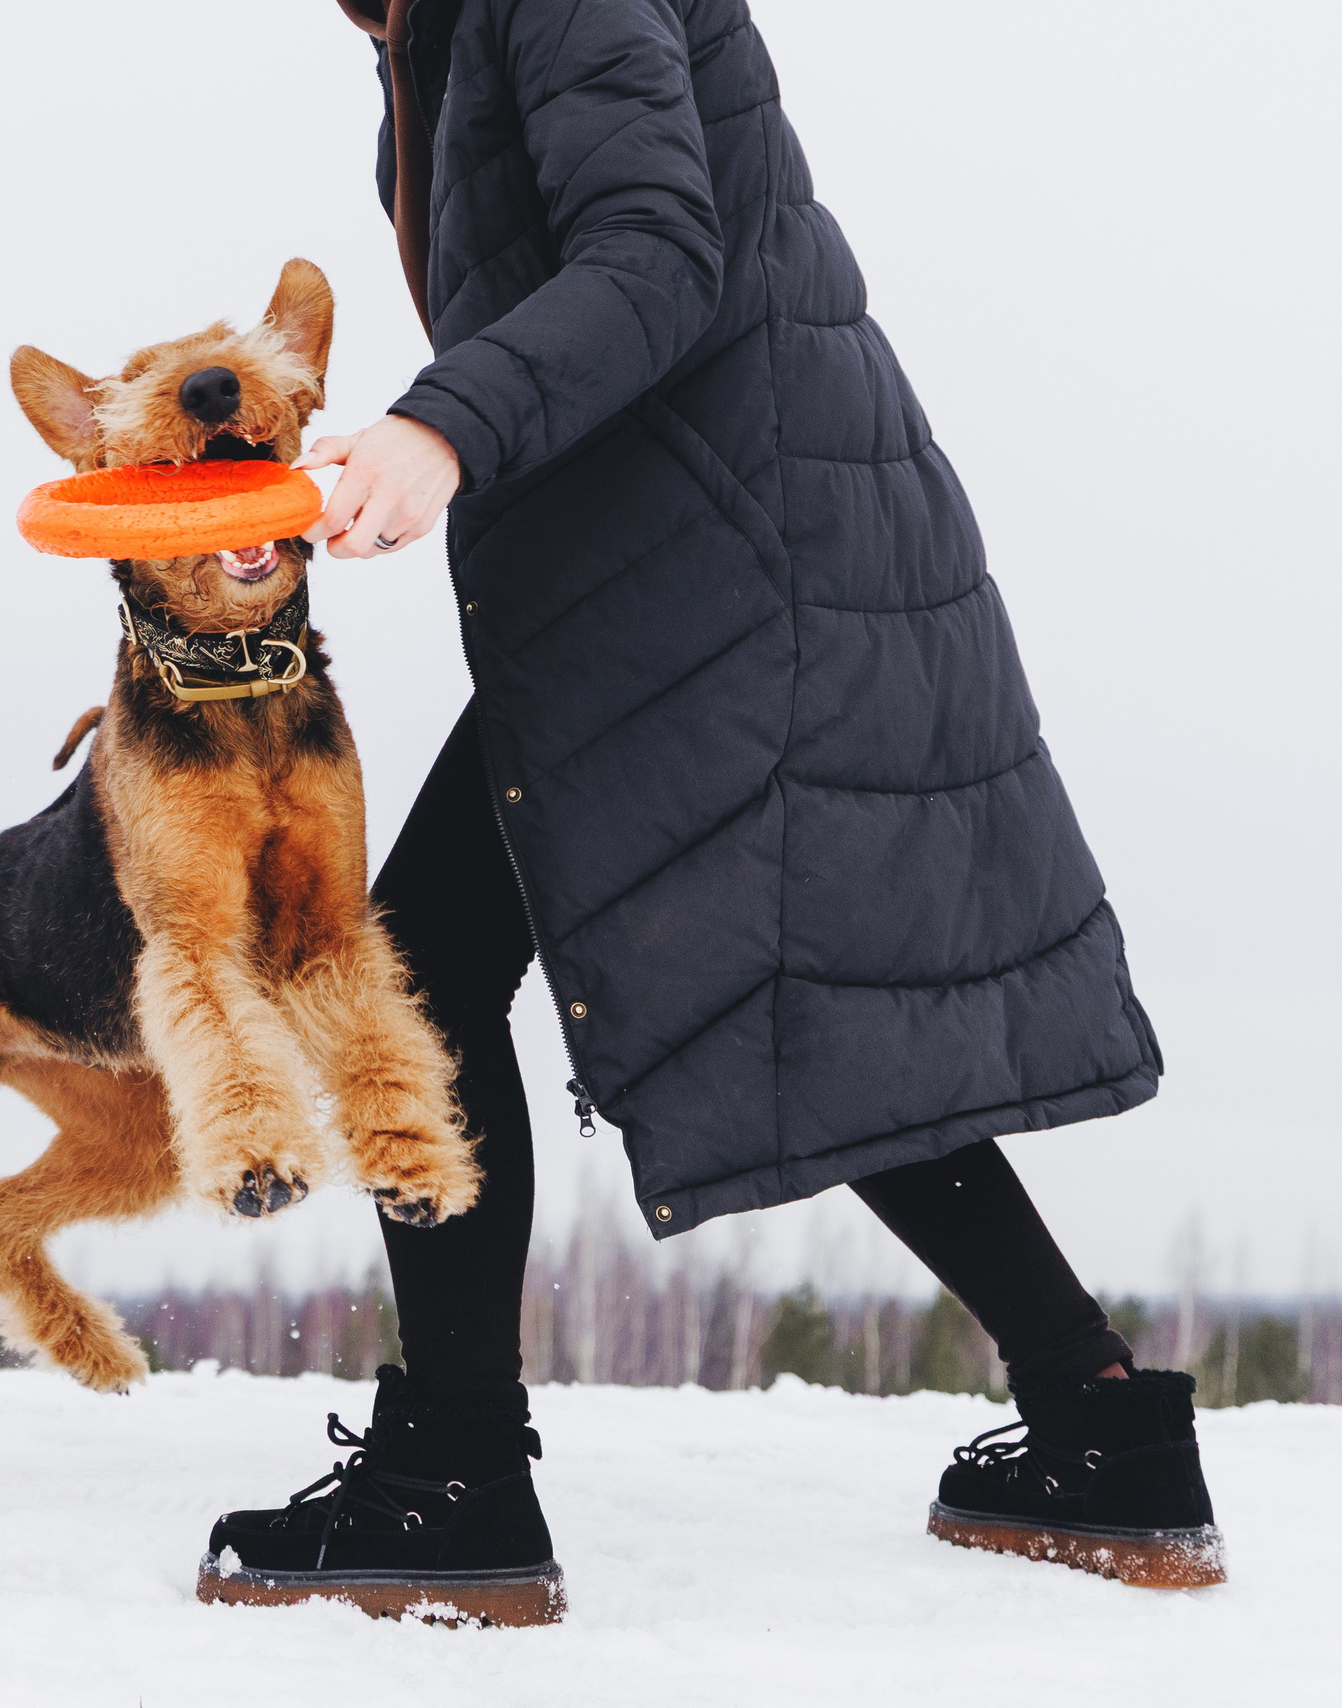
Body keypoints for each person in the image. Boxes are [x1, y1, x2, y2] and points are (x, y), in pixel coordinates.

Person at [197, 0, 1217, 1617]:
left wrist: (447, 425)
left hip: (723, 545)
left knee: (415, 968)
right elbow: (576, 289)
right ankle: (1100, 1432)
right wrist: (403, 443)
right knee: (783, 983)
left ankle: (457, 1475)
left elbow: (657, 251)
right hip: (710, 533)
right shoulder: (430, 34)